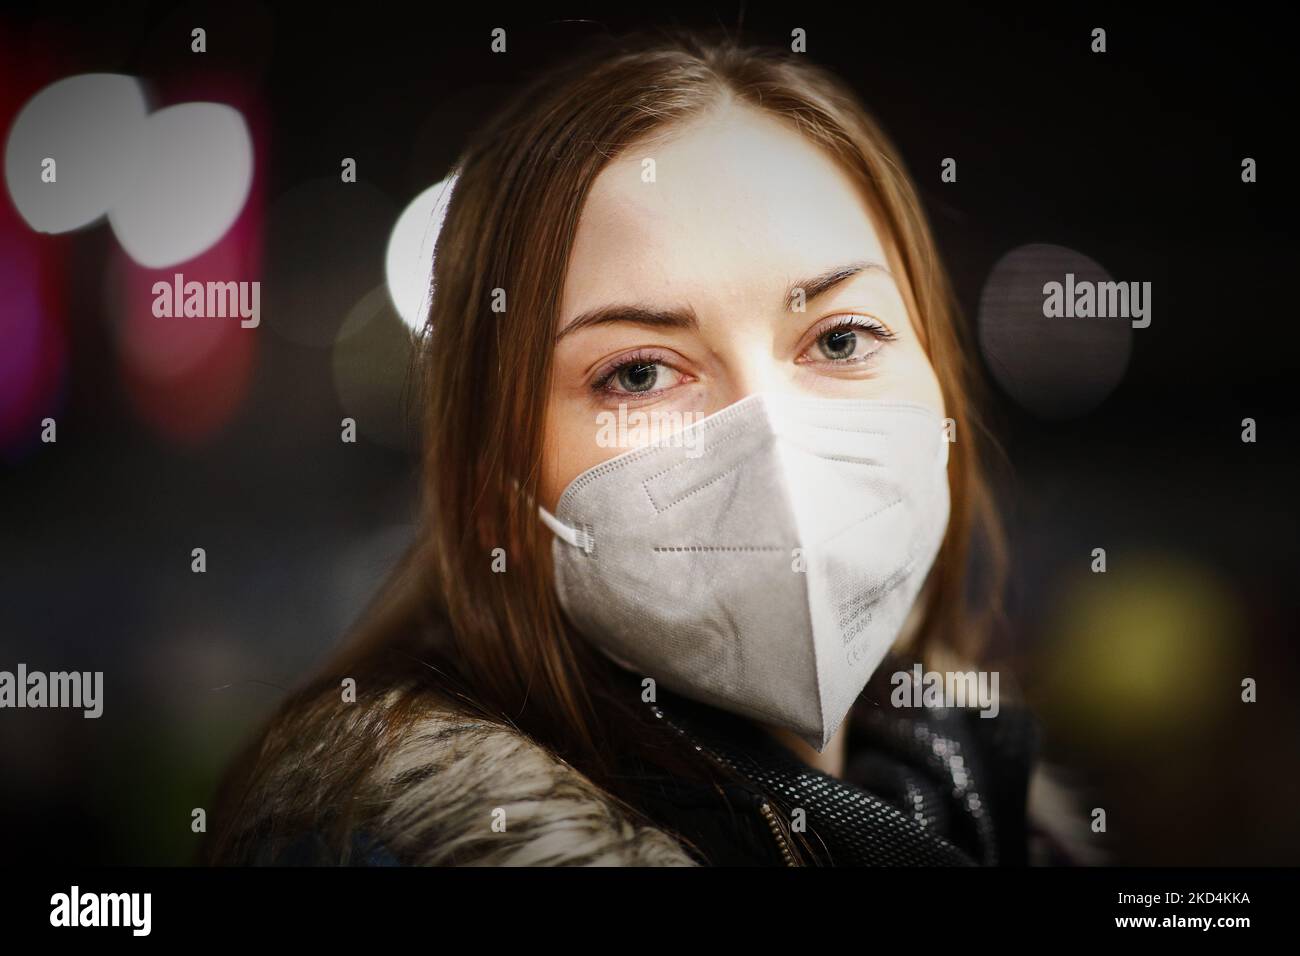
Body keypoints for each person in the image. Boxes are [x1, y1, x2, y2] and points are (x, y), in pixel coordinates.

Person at [204, 29, 1070, 867]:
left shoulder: (986, 796)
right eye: (641, 373)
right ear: (494, 492)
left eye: (840, 339)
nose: (775, 438)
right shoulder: (390, 845)